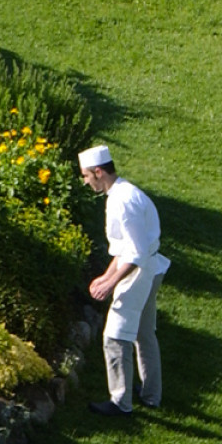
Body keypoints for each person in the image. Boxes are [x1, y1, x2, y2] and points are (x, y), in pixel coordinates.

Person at [79, 145, 168, 416]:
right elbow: (125, 247)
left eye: (86, 176)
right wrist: (105, 276)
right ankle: (151, 395)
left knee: (115, 337)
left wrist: (111, 283)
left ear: (98, 171)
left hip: (140, 271)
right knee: (143, 332)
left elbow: (135, 253)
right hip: (151, 266)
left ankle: (121, 402)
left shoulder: (122, 202)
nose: (85, 181)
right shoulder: (125, 192)